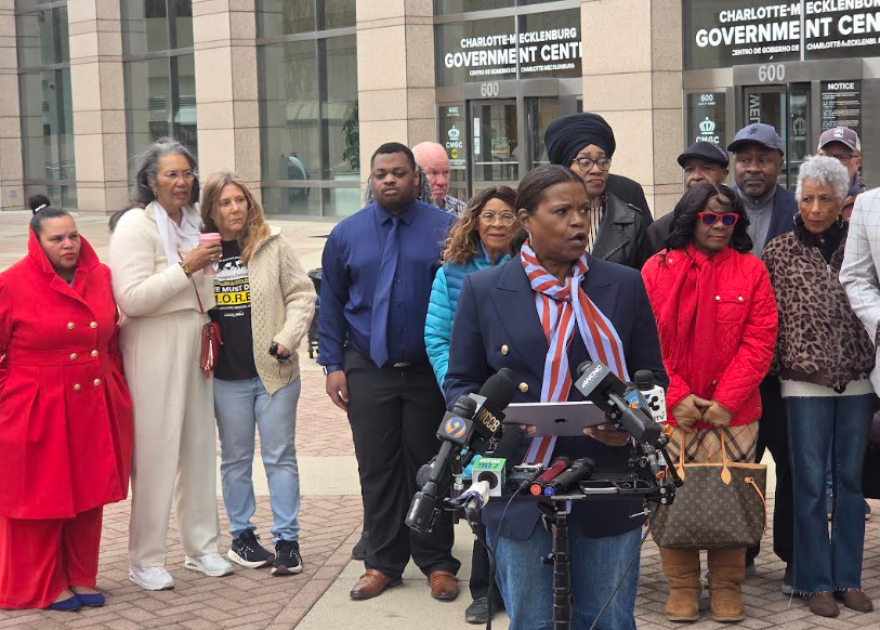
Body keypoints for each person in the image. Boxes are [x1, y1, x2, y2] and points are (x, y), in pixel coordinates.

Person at [445, 164, 667, 630]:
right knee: (532, 619)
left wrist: (627, 421)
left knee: (604, 618)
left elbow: (652, 381)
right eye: (561, 211)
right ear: (526, 219)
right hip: (517, 476)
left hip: (608, 471)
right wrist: (499, 428)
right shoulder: (485, 290)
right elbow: (461, 386)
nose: (576, 222)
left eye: (583, 211)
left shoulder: (623, 284)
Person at [318, 142, 460, 601]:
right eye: (381, 174)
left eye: (399, 173)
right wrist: (333, 365)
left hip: (426, 372)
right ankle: (382, 562)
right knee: (376, 467)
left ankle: (438, 561)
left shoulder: (447, 230)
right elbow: (332, 304)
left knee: (431, 467)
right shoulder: (346, 234)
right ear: (372, 179)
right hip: (368, 367)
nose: (390, 181)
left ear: (416, 177)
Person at [642, 183, 778, 623]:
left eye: (728, 219)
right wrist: (677, 396)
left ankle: (725, 588)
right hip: (672, 409)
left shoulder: (752, 271)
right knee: (671, 498)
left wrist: (725, 401)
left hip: (734, 414)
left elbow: (760, 342)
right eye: (710, 218)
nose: (719, 226)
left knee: (730, 496)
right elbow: (645, 341)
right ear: (690, 218)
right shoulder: (655, 269)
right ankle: (681, 586)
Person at [109, 138, 232, 591]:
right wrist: (186, 267)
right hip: (153, 340)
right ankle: (145, 558)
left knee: (199, 448)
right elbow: (132, 299)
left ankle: (202, 548)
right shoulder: (134, 228)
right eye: (171, 175)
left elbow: (209, 290)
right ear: (150, 181)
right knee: (156, 452)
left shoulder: (195, 222)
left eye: (187, 173)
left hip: (195, 337)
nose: (182, 182)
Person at [0, 207, 133, 611]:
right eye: (57, 239)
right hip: (36, 404)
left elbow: (110, 339)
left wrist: (116, 386)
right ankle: (39, 585)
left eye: (72, 236)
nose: (69, 244)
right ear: (36, 243)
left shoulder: (102, 277)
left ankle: (80, 575)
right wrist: (12, 394)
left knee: (86, 494)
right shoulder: (11, 283)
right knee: (39, 499)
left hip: (92, 400)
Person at [763, 156, 874, 618]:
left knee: (850, 483)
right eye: (807, 197)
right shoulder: (779, 251)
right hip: (802, 383)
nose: (814, 208)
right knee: (808, 484)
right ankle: (813, 581)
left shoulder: (859, 246)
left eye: (825, 198)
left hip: (858, 380)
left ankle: (847, 576)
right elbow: (768, 323)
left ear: (842, 201)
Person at [200, 171, 316, 576]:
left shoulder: (271, 243)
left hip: (274, 373)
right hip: (226, 378)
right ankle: (242, 537)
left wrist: (288, 336)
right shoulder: (202, 252)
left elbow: (302, 293)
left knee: (280, 457)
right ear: (211, 210)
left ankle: (287, 541)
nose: (234, 208)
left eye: (239, 200)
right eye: (224, 202)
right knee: (234, 459)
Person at [423, 185, 517, 624]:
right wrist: (461, 397)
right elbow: (438, 338)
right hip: (476, 404)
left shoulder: (533, 268)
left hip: (524, 399)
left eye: (507, 216)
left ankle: (523, 586)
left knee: (528, 495)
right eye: (489, 215)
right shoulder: (453, 272)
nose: (498, 224)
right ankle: (485, 590)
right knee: (484, 493)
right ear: (475, 220)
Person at [728, 122, 798, 580]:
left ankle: (794, 555)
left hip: (784, 367)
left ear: (779, 163)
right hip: (733, 365)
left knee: (789, 461)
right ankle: (742, 552)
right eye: (744, 159)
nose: (752, 168)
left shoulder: (798, 209)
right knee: (739, 464)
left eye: (763, 159)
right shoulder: (717, 208)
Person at [543, 112, 653, 269]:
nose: (596, 169)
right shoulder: (539, 216)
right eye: (585, 162)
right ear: (563, 167)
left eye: (603, 161)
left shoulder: (631, 222)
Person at [646, 142, 730, 254]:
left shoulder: (732, 222)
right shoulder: (661, 229)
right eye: (690, 170)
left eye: (706, 169)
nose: (696, 177)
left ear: (723, 175)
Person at [818, 127, 866, 221]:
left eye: (843, 157)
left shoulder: (871, 204)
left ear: (858, 163)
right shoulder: (804, 201)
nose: (834, 164)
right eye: (827, 157)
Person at [412, 141, 467, 216]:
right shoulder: (400, 212)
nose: (442, 182)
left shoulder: (463, 212)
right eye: (433, 173)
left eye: (446, 172)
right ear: (415, 176)